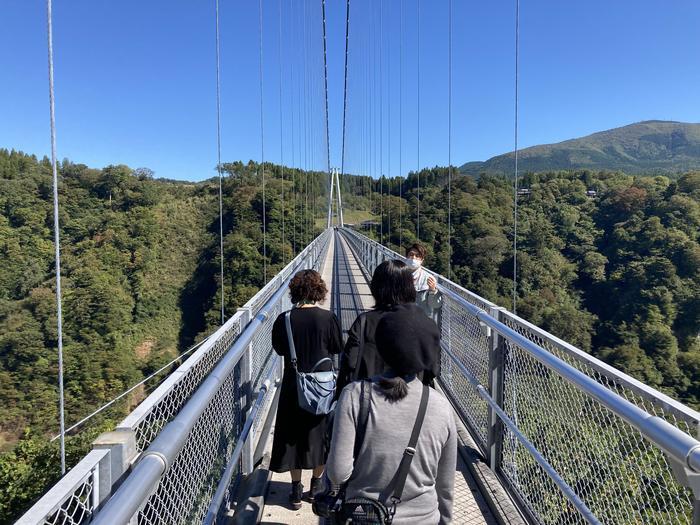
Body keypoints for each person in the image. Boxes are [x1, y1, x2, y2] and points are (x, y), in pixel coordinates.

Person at [327, 305, 457, 524]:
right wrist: (444, 520)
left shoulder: (354, 395)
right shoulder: (442, 407)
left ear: (381, 347)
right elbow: (445, 485)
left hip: (362, 516)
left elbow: (338, 473)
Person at [270, 269, 343, 509]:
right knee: (321, 437)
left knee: (293, 438)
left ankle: (294, 490)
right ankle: (315, 487)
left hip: (294, 387)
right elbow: (336, 346)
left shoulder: (285, 319)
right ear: (319, 291)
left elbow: (280, 349)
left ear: (295, 291)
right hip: (321, 388)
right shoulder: (328, 318)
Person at [335, 259, 440, 396]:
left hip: (369, 398)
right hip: (412, 401)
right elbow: (432, 370)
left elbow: (350, 362)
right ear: (409, 287)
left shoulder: (364, 322)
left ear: (376, 287)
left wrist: (339, 396)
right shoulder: (423, 322)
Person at [406, 243, 443, 326]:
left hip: (421, 323)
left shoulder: (429, 278)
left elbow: (435, 305)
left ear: (422, 259)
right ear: (406, 257)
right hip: (403, 321)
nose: (413, 258)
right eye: (411, 254)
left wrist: (433, 291)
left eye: (417, 256)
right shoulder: (399, 276)